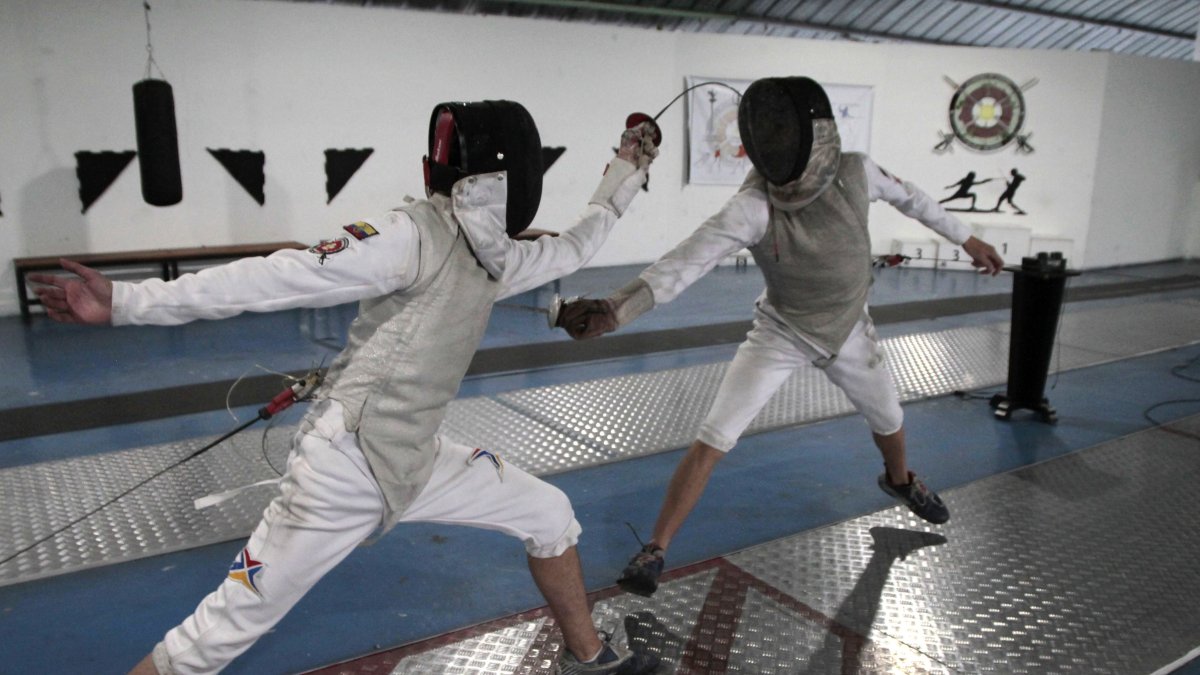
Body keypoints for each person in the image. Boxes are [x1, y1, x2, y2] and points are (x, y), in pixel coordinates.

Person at [32, 100, 662, 675]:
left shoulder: (493, 255)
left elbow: (578, 245)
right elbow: (279, 277)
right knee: (214, 637)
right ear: (506, 176)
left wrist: (626, 169)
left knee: (549, 513)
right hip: (344, 469)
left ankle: (590, 661)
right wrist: (129, 301)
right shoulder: (408, 235)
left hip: (414, 456)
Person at [553, 77, 1004, 597]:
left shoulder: (855, 171)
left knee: (890, 418)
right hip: (782, 330)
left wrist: (967, 239)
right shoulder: (754, 207)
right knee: (714, 436)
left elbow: (915, 200)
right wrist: (616, 309)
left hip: (849, 327)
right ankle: (654, 549)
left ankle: (900, 480)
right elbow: (686, 262)